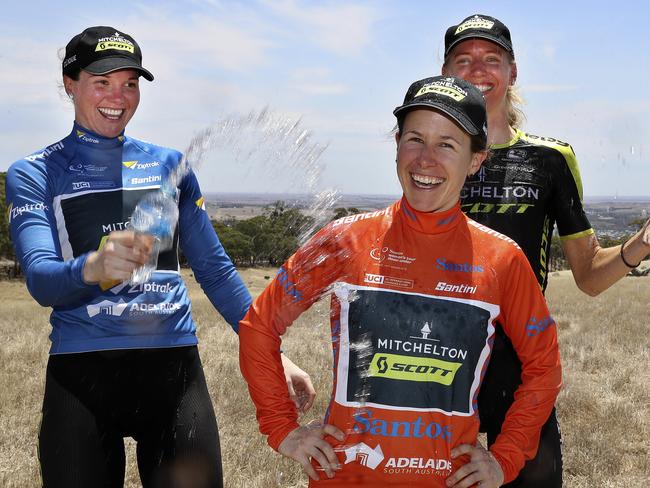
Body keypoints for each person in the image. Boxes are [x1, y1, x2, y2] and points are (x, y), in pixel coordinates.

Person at [5, 26, 314, 488]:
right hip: (83, 376)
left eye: (130, 83)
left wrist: (272, 353)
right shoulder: (36, 172)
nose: (119, 96)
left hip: (173, 374)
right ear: (71, 84)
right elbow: (42, 280)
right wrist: (92, 268)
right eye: (102, 81)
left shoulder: (169, 166)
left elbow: (215, 270)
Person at [238, 75, 562, 487]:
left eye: (447, 144)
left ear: (476, 159)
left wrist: (505, 458)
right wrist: (282, 429)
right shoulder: (344, 241)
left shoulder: (503, 259)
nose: (426, 160)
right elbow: (259, 327)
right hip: (347, 477)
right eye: (415, 139)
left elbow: (544, 366)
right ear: (396, 145)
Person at [440, 14, 650, 487]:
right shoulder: (433, 152)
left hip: (523, 367)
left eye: (492, 59)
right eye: (464, 60)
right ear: (445, 72)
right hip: (437, 362)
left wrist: (643, 242)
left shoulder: (552, 159)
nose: (478, 70)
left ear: (513, 72)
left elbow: (590, 277)